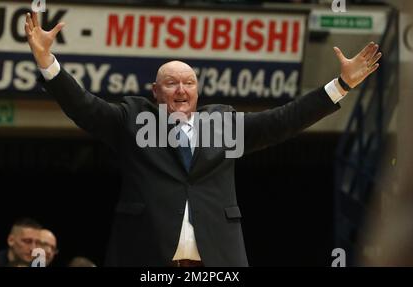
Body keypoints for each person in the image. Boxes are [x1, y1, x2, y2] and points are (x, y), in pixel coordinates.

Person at [24, 12, 381, 266]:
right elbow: (84, 106)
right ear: (155, 91)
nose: (181, 90)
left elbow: (283, 121)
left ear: (198, 90)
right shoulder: (132, 119)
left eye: (189, 83)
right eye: (171, 83)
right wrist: (47, 61)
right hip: (146, 256)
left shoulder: (222, 123)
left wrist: (342, 85)